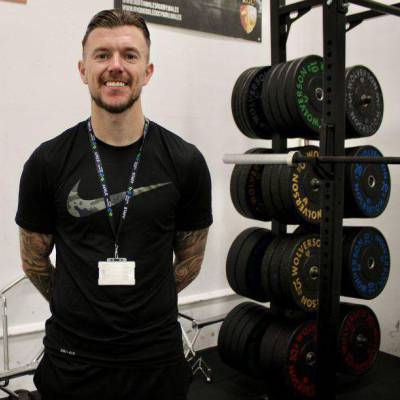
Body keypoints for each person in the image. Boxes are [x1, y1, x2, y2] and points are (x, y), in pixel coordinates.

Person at [15, 9, 212, 400]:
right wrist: (78, 303)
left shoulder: (185, 162)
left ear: (149, 71)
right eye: (102, 55)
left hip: (156, 359)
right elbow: (34, 261)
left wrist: (146, 302)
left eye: (129, 55)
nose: (115, 66)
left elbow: (189, 260)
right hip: (73, 361)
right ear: (83, 69)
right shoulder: (48, 162)